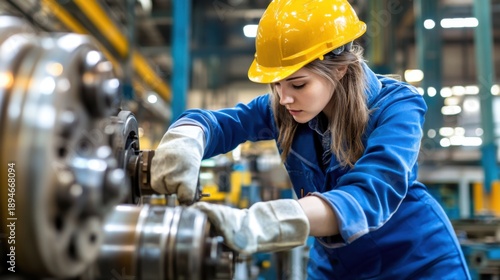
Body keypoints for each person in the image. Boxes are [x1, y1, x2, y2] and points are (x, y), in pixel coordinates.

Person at [151, 0, 471, 278]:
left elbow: (370, 194)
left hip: (415, 264)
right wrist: (186, 139)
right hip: (336, 267)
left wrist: (266, 223)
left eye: (297, 84)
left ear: (340, 69)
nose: (284, 98)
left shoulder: (397, 107)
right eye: (276, 85)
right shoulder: (284, 107)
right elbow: (221, 124)